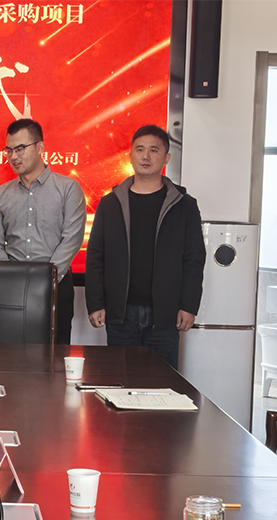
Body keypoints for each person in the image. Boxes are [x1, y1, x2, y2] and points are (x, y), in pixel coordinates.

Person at [85, 125, 206, 369]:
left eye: (153, 150)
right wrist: (95, 303)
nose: (146, 156)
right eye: (139, 150)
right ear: (130, 155)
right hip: (120, 313)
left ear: (166, 158)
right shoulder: (110, 204)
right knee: (119, 381)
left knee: (162, 383)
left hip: (165, 315)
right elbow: (96, 256)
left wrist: (189, 305)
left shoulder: (184, 205)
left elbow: (194, 259)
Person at [0, 118, 86, 345]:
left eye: (20, 149)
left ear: (40, 147)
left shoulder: (67, 188)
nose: (14, 156)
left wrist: (47, 279)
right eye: (9, 150)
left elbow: (72, 239)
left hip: (56, 286)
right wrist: (10, 277)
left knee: (55, 353)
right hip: (12, 287)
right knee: (9, 354)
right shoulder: (1, 194)